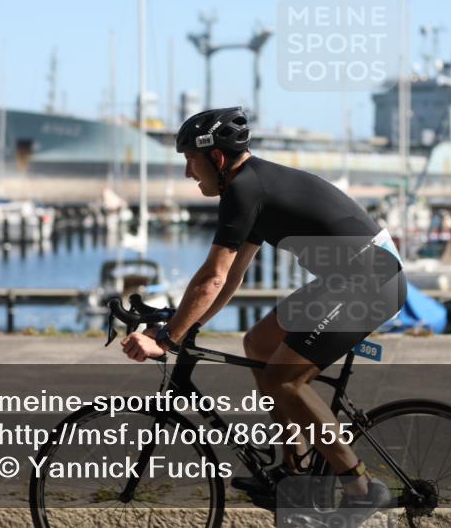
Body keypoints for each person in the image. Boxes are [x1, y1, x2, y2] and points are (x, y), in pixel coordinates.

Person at [121, 106, 406, 515]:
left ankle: (360, 486)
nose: (188, 173)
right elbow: (230, 279)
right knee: (257, 343)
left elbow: (211, 278)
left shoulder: (243, 190)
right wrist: (186, 321)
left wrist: (167, 340)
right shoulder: (253, 186)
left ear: (217, 159)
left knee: (285, 379)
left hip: (370, 283)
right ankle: (296, 471)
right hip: (351, 278)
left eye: (190, 161)